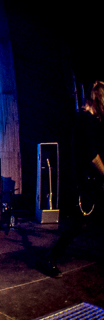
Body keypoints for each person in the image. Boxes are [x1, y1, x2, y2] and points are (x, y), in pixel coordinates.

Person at [45, 81, 104, 277]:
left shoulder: (93, 121)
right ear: (98, 100)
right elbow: (92, 156)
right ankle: (51, 257)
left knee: (83, 223)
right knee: (79, 224)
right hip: (84, 182)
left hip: (93, 181)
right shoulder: (85, 120)